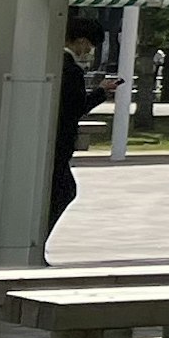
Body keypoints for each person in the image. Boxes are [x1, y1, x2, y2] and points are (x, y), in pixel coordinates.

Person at [48, 39, 109, 228]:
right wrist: (102, 91)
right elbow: (77, 108)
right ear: (81, 41)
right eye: (90, 45)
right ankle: (40, 236)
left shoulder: (54, 61)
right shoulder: (72, 70)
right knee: (65, 191)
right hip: (61, 140)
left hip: (52, 137)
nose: (90, 50)